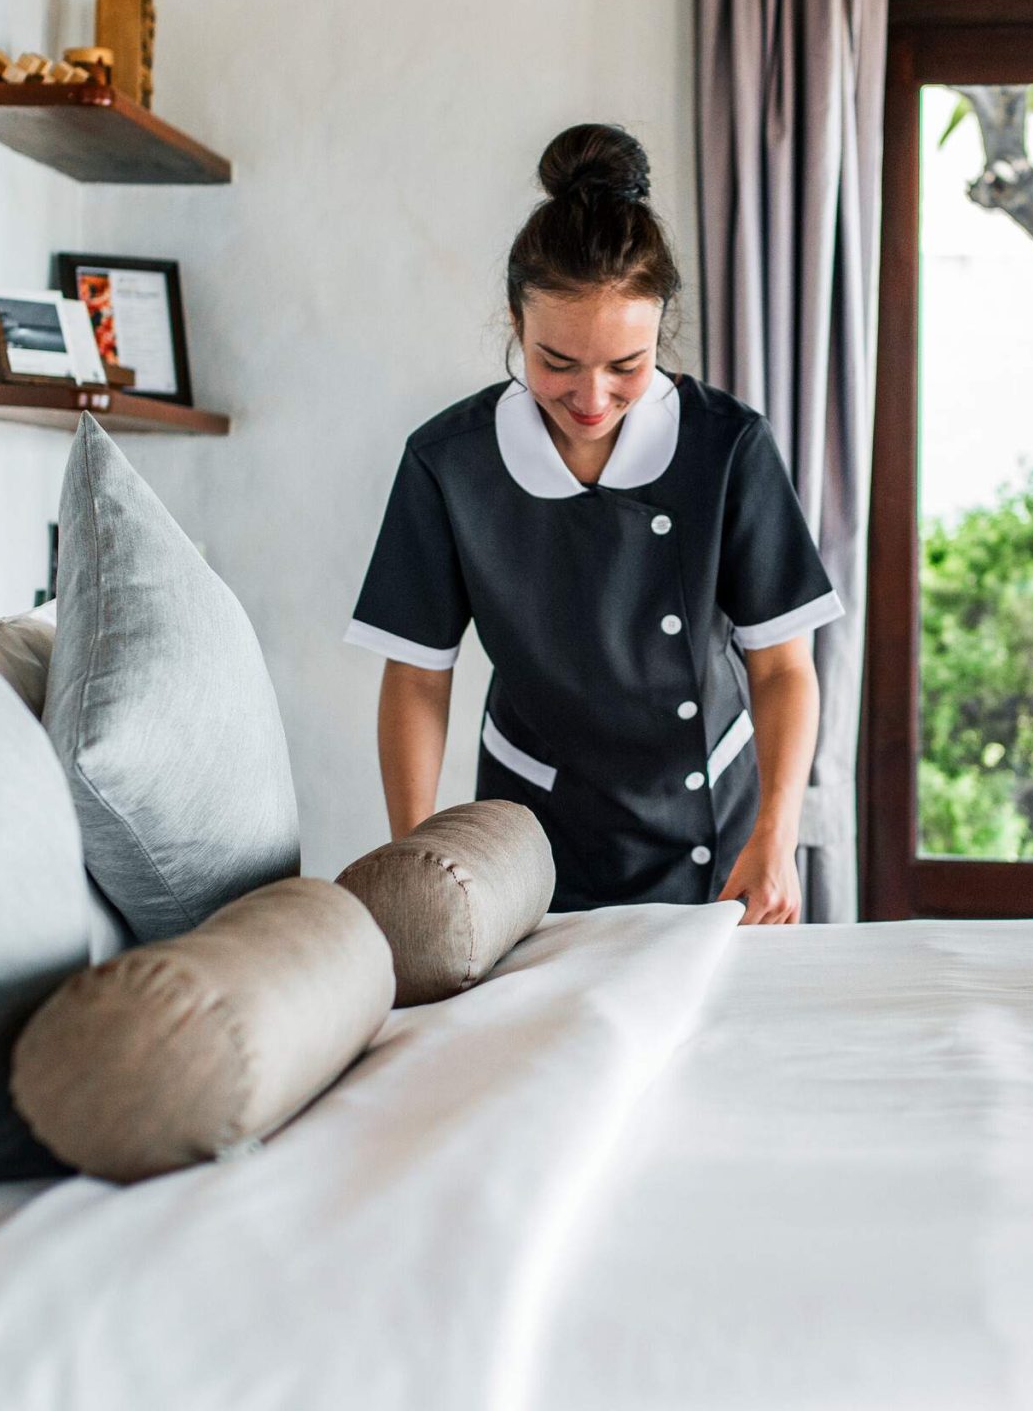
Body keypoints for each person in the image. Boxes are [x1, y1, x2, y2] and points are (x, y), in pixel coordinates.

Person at [345, 124, 841, 924]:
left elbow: (783, 668)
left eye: (626, 367)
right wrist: (416, 861)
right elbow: (416, 676)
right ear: (515, 321)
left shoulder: (728, 449)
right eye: (557, 363)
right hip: (527, 840)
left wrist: (777, 836)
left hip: (719, 837)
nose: (591, 398)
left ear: (662, 330)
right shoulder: (451, 465)